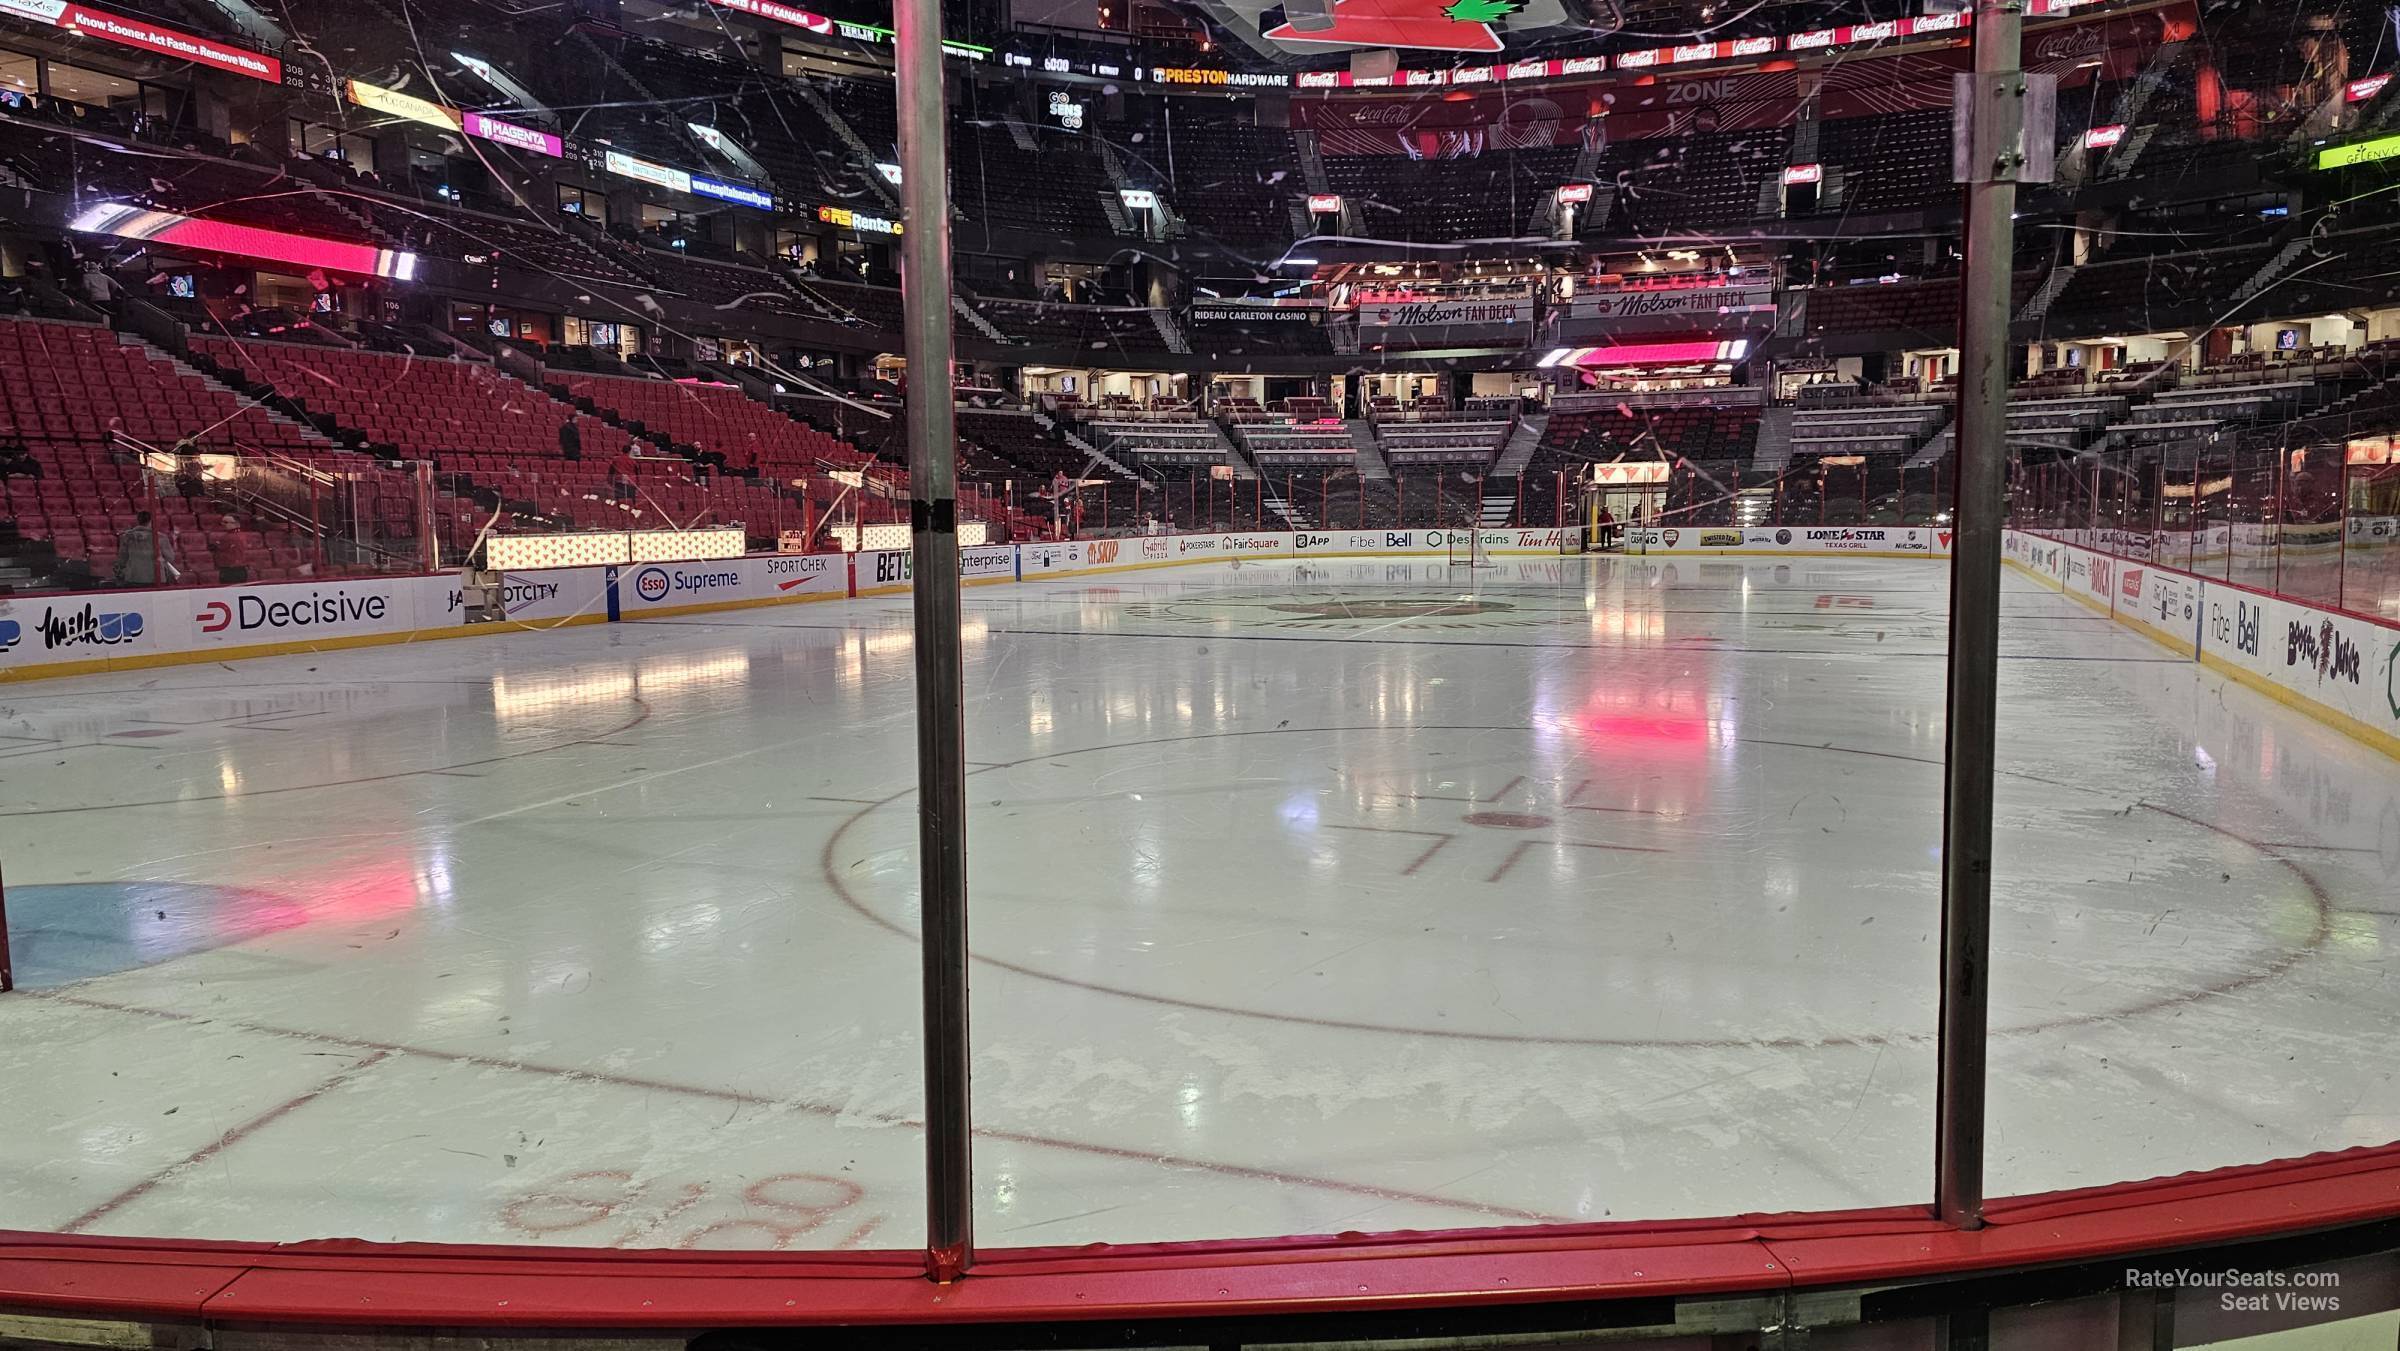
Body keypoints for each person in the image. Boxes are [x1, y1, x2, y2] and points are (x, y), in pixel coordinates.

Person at [114, 510, 176, 585]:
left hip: (134, 577)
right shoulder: (160, 537)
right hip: (156, 577)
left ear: (138, 520)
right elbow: (170, 557)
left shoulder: (127, 537)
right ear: (151, 521)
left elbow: (122, 559)